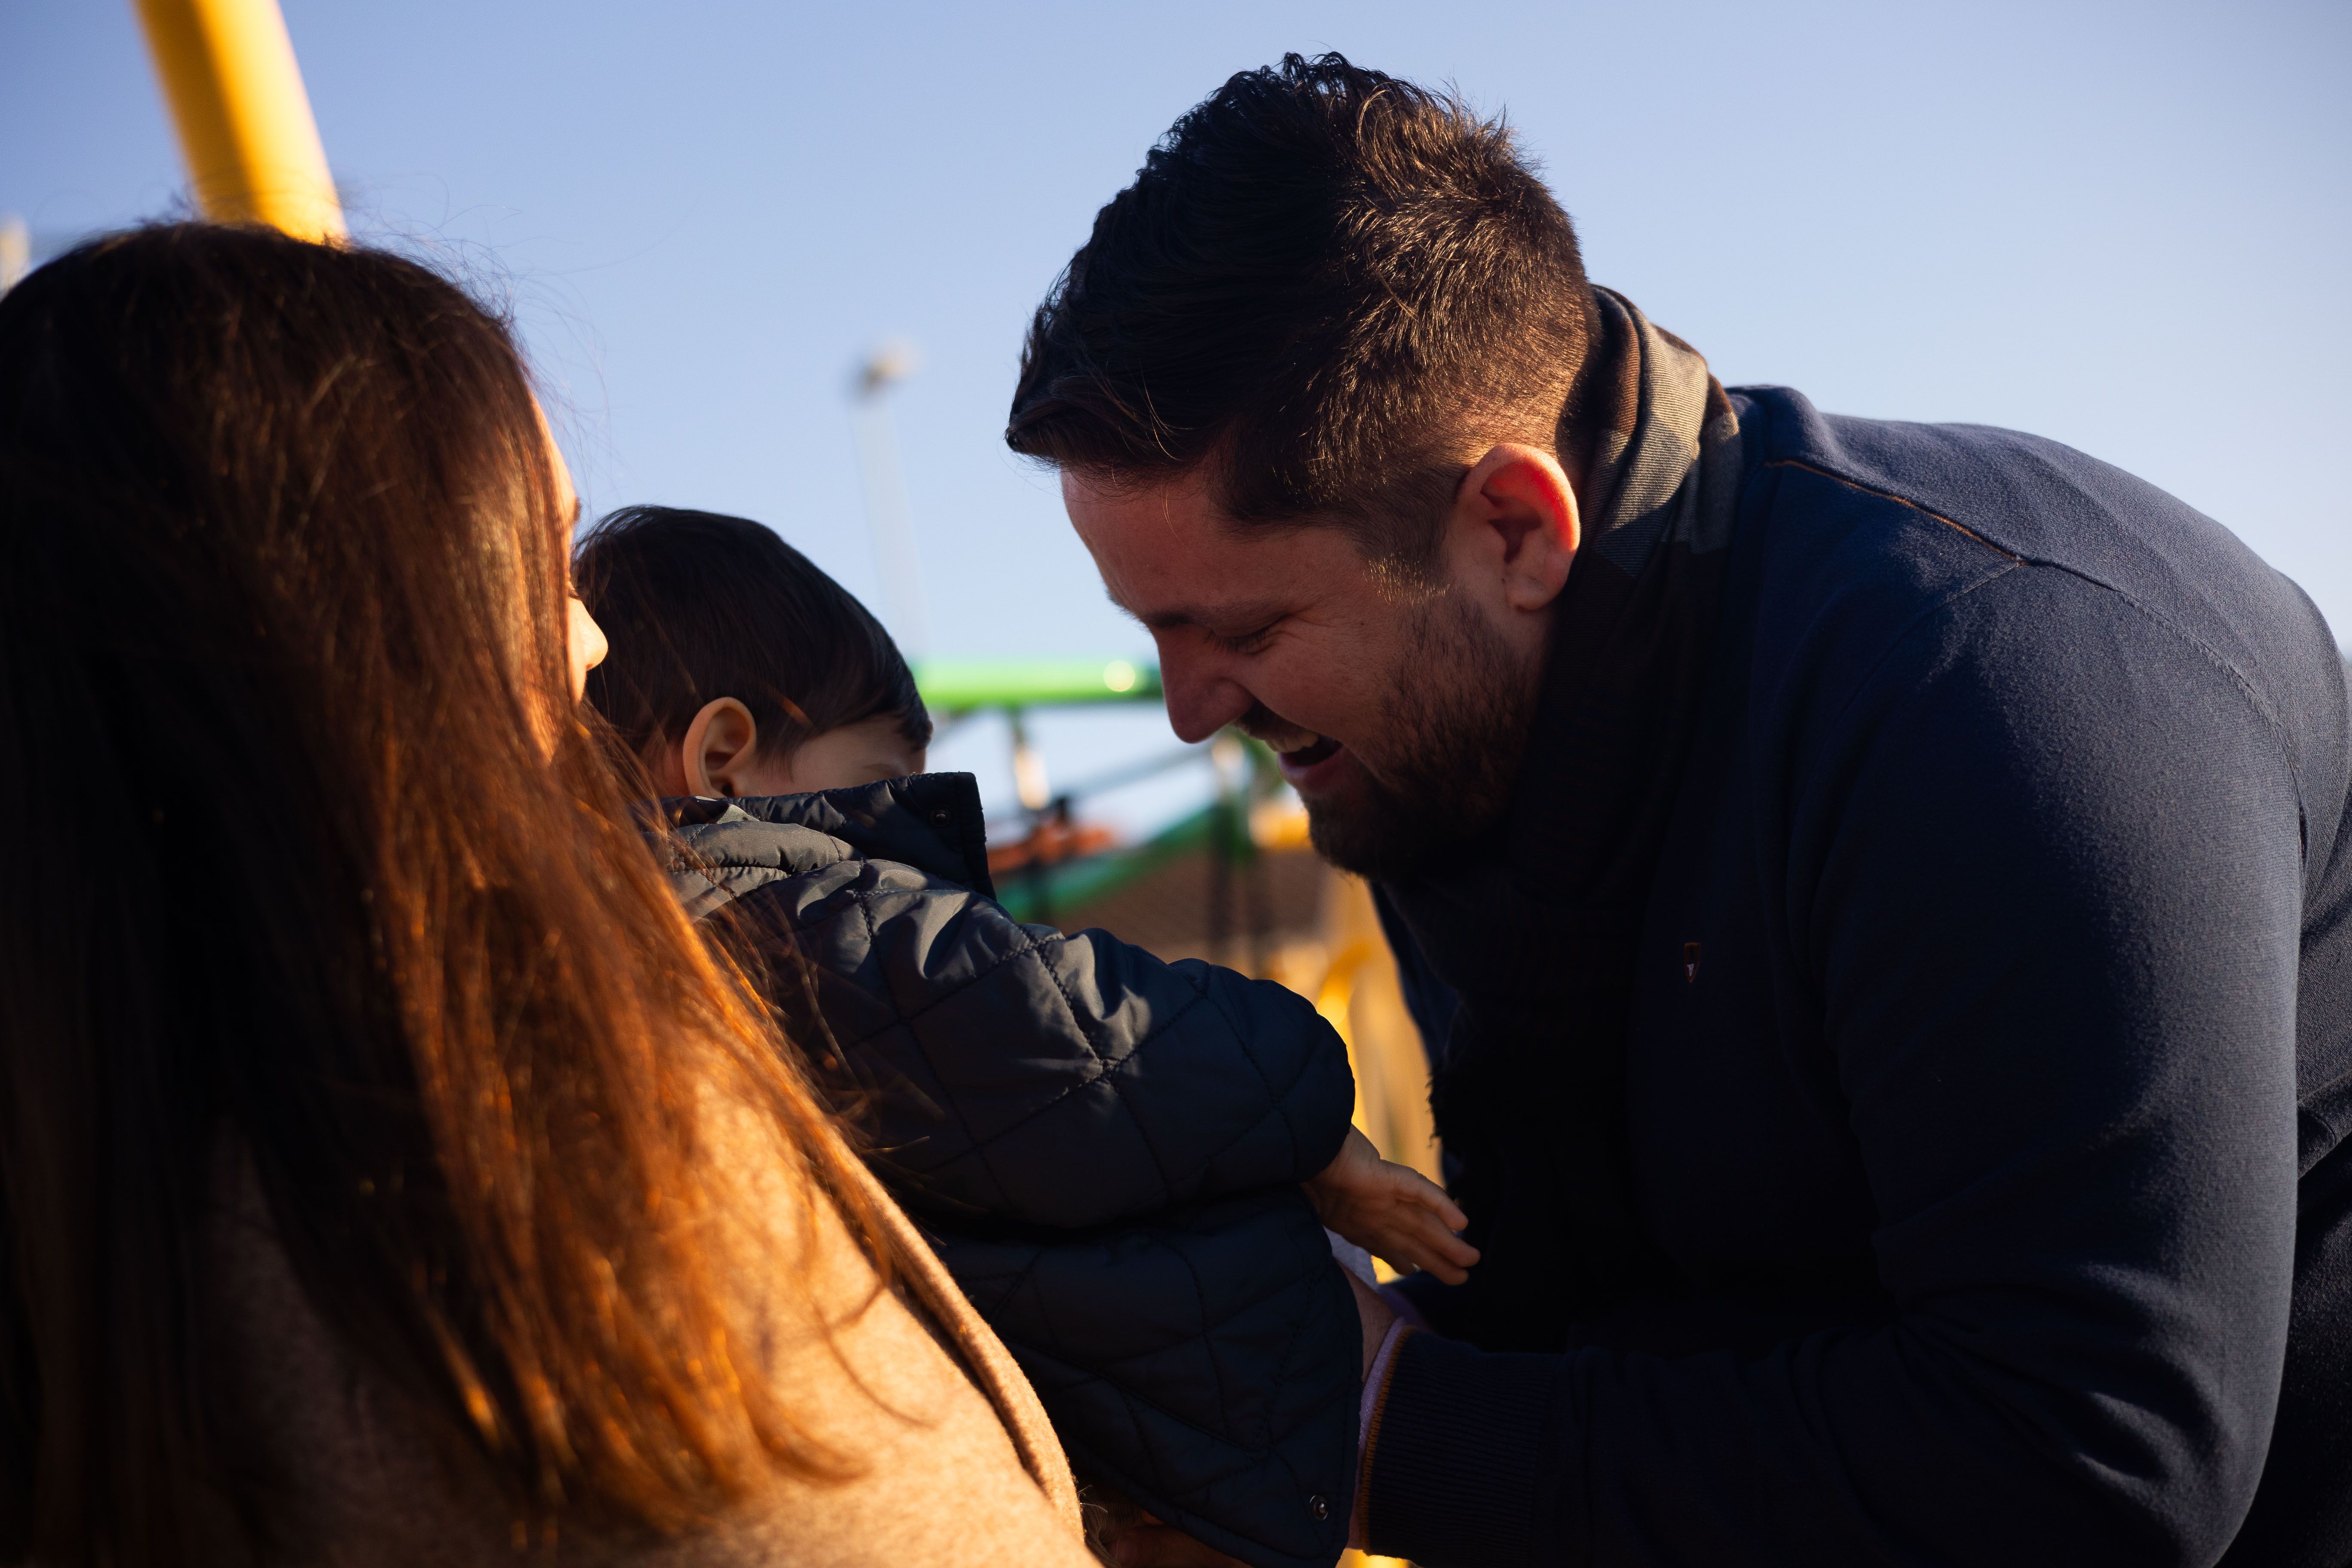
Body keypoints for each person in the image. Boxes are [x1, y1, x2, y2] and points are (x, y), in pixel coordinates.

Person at [1003, 52, 2352, 1568]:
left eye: (1243, 631)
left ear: (1515, 526)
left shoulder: (2003, 698)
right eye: (1156, 634)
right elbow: (1619, 1305)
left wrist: (1386, 1431)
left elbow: (2096, 1461)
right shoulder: (1449, 730)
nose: (1191, 709)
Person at [0, 224, 1104, 1568]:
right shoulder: (517, 1115)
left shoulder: (120, 1194)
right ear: (369, 626)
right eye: (539, 559)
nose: (587, 643)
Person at [573, 502, 1474, 1568]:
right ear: (726, 763)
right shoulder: (802, 928)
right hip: (1235, 1433)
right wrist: (1321, 1130)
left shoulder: (629, 974)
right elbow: (1110, 1044)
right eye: (884, 776)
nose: (916, 832)